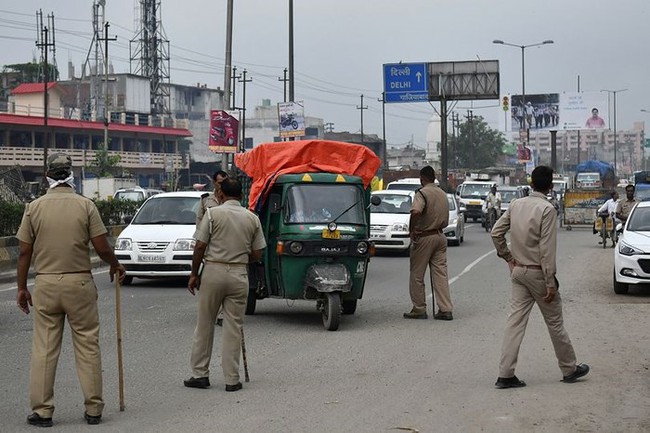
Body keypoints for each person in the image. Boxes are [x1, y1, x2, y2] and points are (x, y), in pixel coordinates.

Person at [15, 152, 126, 427]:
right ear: (71, 175)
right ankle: (93, 409)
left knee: (44, 348)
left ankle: (42, 412)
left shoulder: (34, 207)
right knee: (88, 345)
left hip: (46, 283)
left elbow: (24, 252)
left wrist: (21, 288)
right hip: (80, 283)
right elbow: (101, 248)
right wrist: (116, 264)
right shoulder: (86, 205)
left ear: (47, 176)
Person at [491, 165, 589, 389]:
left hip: (518, 272)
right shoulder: (547, 209)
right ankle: (569, 368)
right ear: (551, 186)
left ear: (531, 184)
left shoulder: (516, 204)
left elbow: (496, 232)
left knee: (514, 323)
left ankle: (505, 375)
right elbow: (546, 250)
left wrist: (508, 257)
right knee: (555, 322)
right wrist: (550, 282)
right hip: (537, 273)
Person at [184, 178, 266, 392]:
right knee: (233, 327)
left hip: (213, 270)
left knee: (205, 324)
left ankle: (200, 374)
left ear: (220, 194)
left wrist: (194, 274)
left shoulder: (212, 214)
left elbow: (200, 246)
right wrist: (239, 261)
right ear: (241, 195)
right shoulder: (252, 218)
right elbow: (257, 253)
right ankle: (232, 379)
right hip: (239, 274)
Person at [403, 166, 453, 320]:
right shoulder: (442, 193)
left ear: (422, 178)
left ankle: (419, 308)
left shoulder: (422, 193)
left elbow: (416, 211)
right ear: (434, 177)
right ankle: (445, 309)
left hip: (425, 236)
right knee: (440, 274)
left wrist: (412, 230)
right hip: (440, 236)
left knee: (417, 274)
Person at [196, 170, 228, 326]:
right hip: (209, 244)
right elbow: (200, 222)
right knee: (211, 279)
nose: (222, 185)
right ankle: (211, 310)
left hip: (227, 244)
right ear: (214, 183)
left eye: (225, 182)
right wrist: (200, 243)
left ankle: (223, 313)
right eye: (220, 182)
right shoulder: (205, 200)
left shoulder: (230, 199)